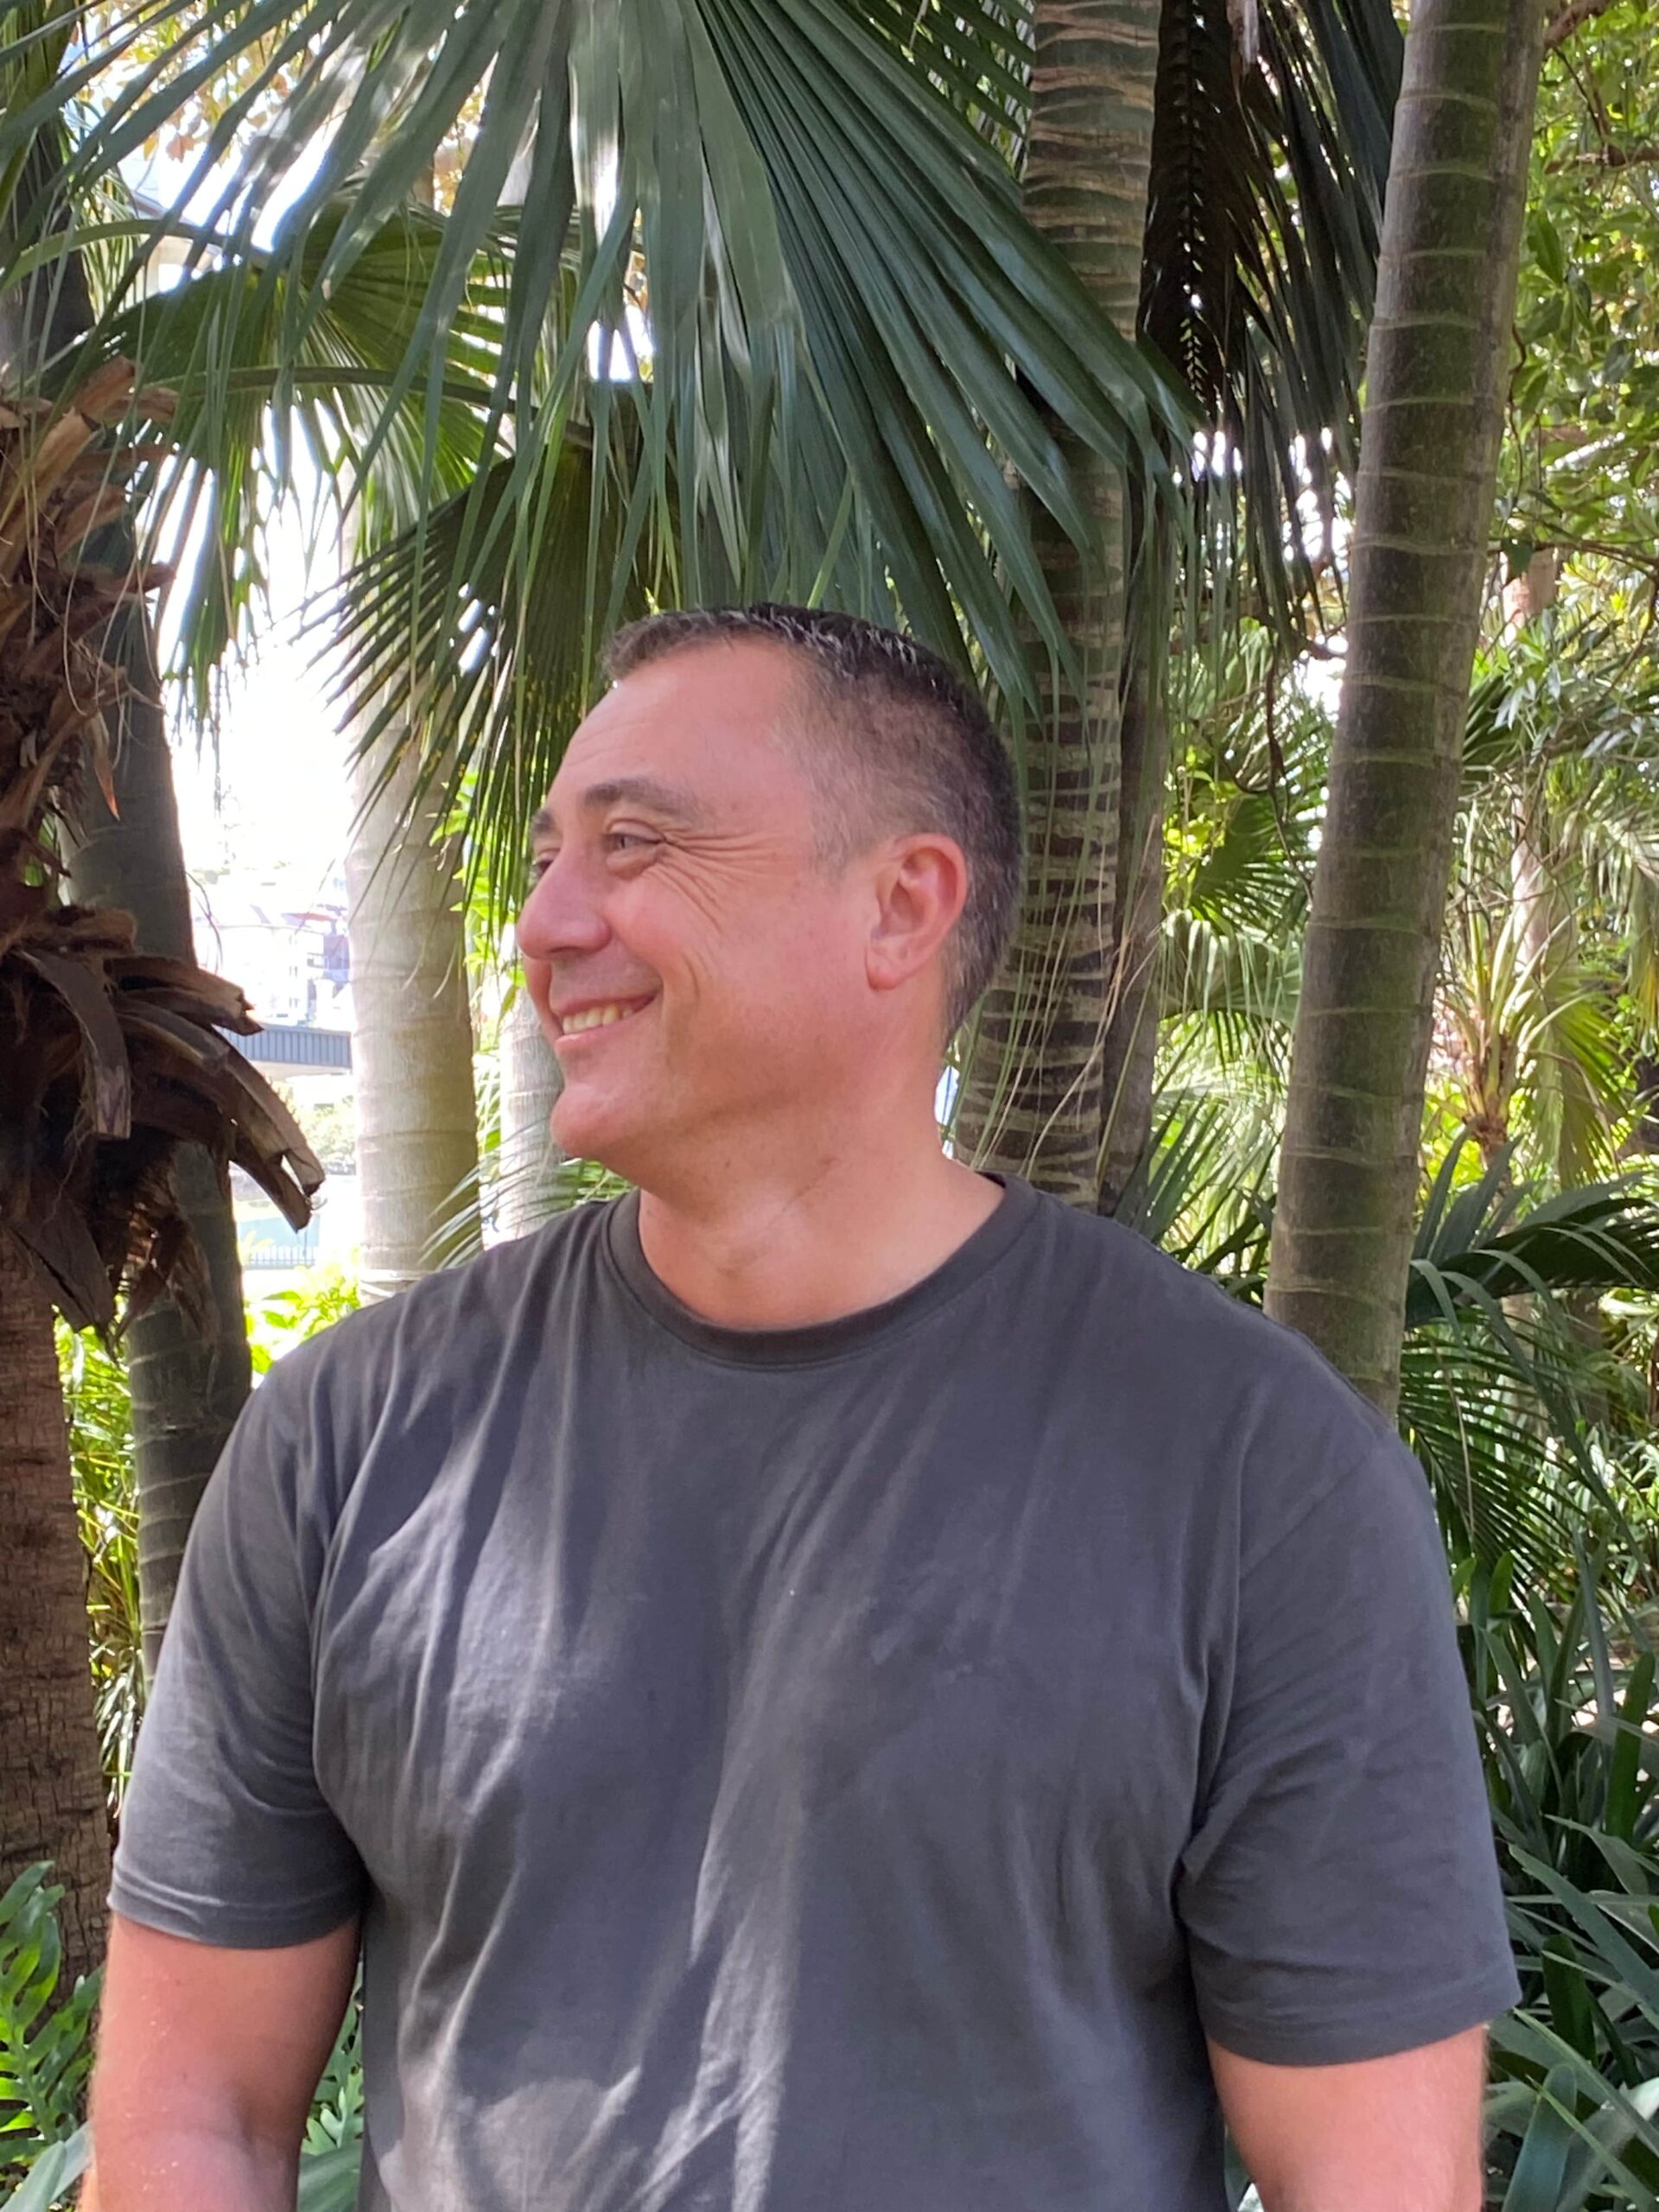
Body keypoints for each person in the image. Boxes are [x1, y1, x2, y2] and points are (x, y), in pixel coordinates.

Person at [87, 605, 1519, 2212]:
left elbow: (1376, 2182)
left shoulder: (1258, 1472)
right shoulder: (349, 1444)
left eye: (634, 847)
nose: (546, 920)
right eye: (553, 853)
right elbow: (190, 2111)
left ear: (901, 906)